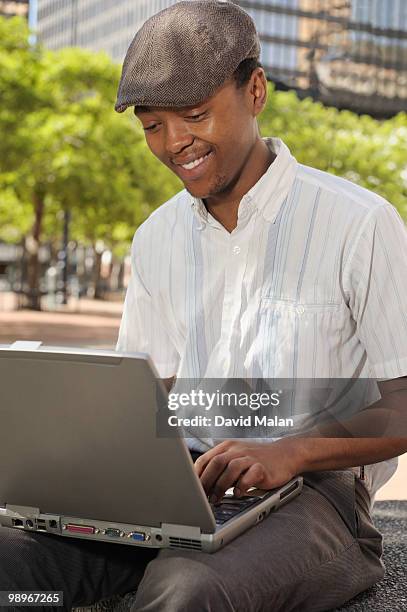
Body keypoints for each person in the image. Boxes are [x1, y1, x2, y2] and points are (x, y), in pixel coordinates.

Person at [1, 1, 406, 611]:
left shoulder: (360, 223)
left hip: (319, 498)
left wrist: (287, 451)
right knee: (12, 562)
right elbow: (149, 397)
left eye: (194, 115)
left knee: (184, 588)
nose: (174, 143)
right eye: (152, 126)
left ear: (257, 91)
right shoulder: (156, 238)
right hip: (183, 488)